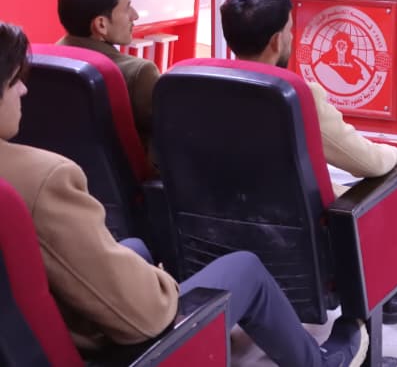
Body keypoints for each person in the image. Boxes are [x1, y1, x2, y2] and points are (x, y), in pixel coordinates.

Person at [0, 21, 368, 367]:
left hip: (35, 332)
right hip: (122, 354)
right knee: (245, 268)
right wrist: (165, 286)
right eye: (15, 81)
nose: (25, 90)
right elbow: (145, 316)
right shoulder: (46, 178)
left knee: (135, 247)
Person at [220, 0, 397, 324]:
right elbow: (368, 163)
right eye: (290, 30)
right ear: (277, 41)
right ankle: (396, 293)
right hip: (299, 228)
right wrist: (394, 154)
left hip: (225, 223)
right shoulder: (295, 96)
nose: (292, 38)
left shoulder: (199, 85)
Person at [56, 0, 160, 162]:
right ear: (101, 24)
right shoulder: (139, 73)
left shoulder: (41, 60)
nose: (135, 16)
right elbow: (168, 137)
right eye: (127, 9)